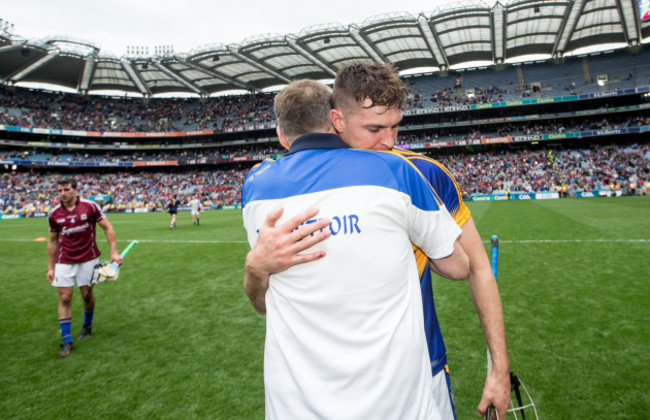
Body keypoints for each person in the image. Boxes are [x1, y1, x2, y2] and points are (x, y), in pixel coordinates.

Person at [245, 63, 511, 419]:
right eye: (374, 128)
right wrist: (255, 268)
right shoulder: (304, 183)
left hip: (419, 368)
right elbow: (266, 298)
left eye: (395, 126)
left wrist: (499, 370)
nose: (389, 141)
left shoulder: (420, 172)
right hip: (318, 387)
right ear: (337, 121)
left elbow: (475, 267)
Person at [47, 178, 122, 357]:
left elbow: (107, 228)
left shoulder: (90, 207)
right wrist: (50, 267)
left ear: (75, 190)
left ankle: (87, 324)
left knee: (86, 295)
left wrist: (114, 252)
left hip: (88, 259)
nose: (62, 194)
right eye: (59, 191)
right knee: (65, 297)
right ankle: (66, 339)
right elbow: (52, 240)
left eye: (66, 190)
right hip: (64, 260)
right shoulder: (54, 214)